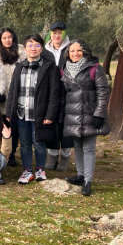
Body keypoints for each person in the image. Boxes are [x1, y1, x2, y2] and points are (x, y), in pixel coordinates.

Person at [6, 34, 60, 184]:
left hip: (40, 114)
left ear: (41, 48)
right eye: (30, 45)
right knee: (24, 144)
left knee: (39, 143)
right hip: (22, 114)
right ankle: (27, 170)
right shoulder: (19, 67)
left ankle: (40, 169)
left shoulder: (49, 67)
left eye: (37, 45)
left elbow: (54, 94)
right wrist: (9, 113)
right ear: (25, 48)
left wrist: (50, 114)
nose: (33, 48)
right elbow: (12, 92)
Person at [61, 40, 110, 196]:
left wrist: (99, 113)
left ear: (85, 51)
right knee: (77, 147)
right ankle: (80, 175)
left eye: (78, 50)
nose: (75, 54)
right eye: (72, 51)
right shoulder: (64, 69)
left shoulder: (94, 68)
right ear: (67, 53)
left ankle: (88, 181)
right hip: (73, 115)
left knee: (89, 148)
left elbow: (103, 92)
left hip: (90, 115)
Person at [0, 27, 26, 166]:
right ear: (0, 39)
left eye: (9, 37)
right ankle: (1, 152)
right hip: (2, 96)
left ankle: (12, 153)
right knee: (4, 124)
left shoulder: (22, 52)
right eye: (4, 38)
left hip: (19, 94)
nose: (7, 40)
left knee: (16, 126)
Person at [44, 21, 73, 171]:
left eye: (59, 33)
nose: (57, 35)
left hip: (67, 93)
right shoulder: (45, 51)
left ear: (64, 33)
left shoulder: (71, 49)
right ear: (50, 34)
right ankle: (52, 155)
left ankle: (65, 156)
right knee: (51, 125)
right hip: (50, 94)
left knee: (66, 126)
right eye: (54, 33)